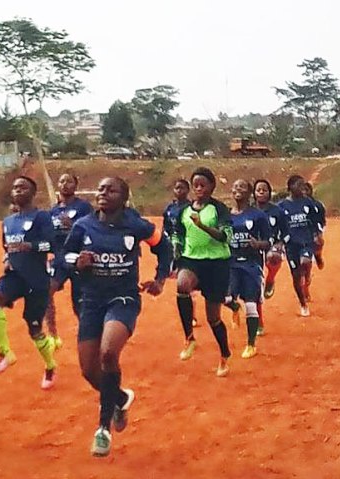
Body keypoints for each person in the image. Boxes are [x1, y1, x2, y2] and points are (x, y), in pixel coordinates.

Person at [63, 177, 171, 457]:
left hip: (123, 299)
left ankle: (103, 429)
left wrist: (160, 279)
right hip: (92, 301)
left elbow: (163, 245)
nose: (103, 193)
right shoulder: (83, 226)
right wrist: (77, 261)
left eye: (111, 190)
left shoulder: (136, 225)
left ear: (124, 198)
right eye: (100, 188)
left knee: (108, 352)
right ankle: (121, 398)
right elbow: (65, 255)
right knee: (88, 369)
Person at [0, 176, 58, 390]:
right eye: (15, 187)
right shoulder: (8, 222)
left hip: (37, 279)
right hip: (15, 276)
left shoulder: (42, 217)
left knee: (34, 329)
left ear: (32, 193)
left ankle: (50, 365)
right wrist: (7, 259)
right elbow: (6, 247)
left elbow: (50, 245)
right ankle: (5, 353)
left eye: (23, 187)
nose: (18, 190)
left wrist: (31, 246)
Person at [174, 167, 232, 377]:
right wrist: (176, 247)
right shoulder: (184, 211)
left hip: (217, 263)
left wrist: (203, 227)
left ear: (211, 187)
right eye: (195, 185)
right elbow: (178, 234)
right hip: (192, 260)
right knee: (182, 285)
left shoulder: (219, 209)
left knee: (213, 317)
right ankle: (189, 338)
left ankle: (224, 354)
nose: (199, 189)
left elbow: (225, 237)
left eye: (203, 185)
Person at [44, 173, 93, 349]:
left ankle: (88, 334)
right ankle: (53, 335)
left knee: (79, 301)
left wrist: (73, 226)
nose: (65, 184)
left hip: (79, 258)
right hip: (60, 259)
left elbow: (93, 230)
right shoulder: (52, 212)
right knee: (46, 290)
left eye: (69, 181)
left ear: (75, 185)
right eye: (62, 181)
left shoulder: (84, 208)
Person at [226, 179, 272, 358]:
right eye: (235, 186)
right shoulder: (225, 216)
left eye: (242, 186)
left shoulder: (258, 216)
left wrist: (257, 244)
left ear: (249, 193)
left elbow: (268, 242)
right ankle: (235, 307)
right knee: (225, 297)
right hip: (230, 263)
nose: (238, 189)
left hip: (251, 266)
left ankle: (251, 344)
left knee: (252, 305)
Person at [277, 175, 322, 317]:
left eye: (303, 185)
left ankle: (307, 276)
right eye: (298, 185)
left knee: (306, 261)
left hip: (306, 241)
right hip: (291, 245)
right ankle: (303, 303)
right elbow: (277, 225)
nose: (302, 188)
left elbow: (314, 220)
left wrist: (317, 234)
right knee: (296, 276)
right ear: (290, 187)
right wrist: (279, 241)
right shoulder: (282, 206)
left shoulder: (308, 203)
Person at [253, 179, 290, 335]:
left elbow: (287, 233)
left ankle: (271, 279)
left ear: (270, 192)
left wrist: (281, 243)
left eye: (264, 190)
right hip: (252, 251)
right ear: (253, 193)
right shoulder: (248, 211)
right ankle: (258, 322)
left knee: (273, 257)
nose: (261, 192)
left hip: (271, 247)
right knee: (254, 287)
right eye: (258, 190)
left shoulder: (277, 212)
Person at [163, 179, 199, 329]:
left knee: (186, 282)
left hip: (187, 247)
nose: (179, 191)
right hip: (173, 246)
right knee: (176, 277)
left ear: (187, 190)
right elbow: (165, 227)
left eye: (182, 188)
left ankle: (192, 315)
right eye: (176, 188)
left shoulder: (191, 208)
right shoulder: (170, 209)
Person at [304, 182, 326, 270]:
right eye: (302, 190)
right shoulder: (294, 205)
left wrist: (319, 232)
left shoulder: (318, 205)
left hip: (314, 230)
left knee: (318, 243)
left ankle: (318, 256)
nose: (304, 192)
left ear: (311, 191)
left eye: (306, 190)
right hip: (298, 231)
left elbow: (322, 221)